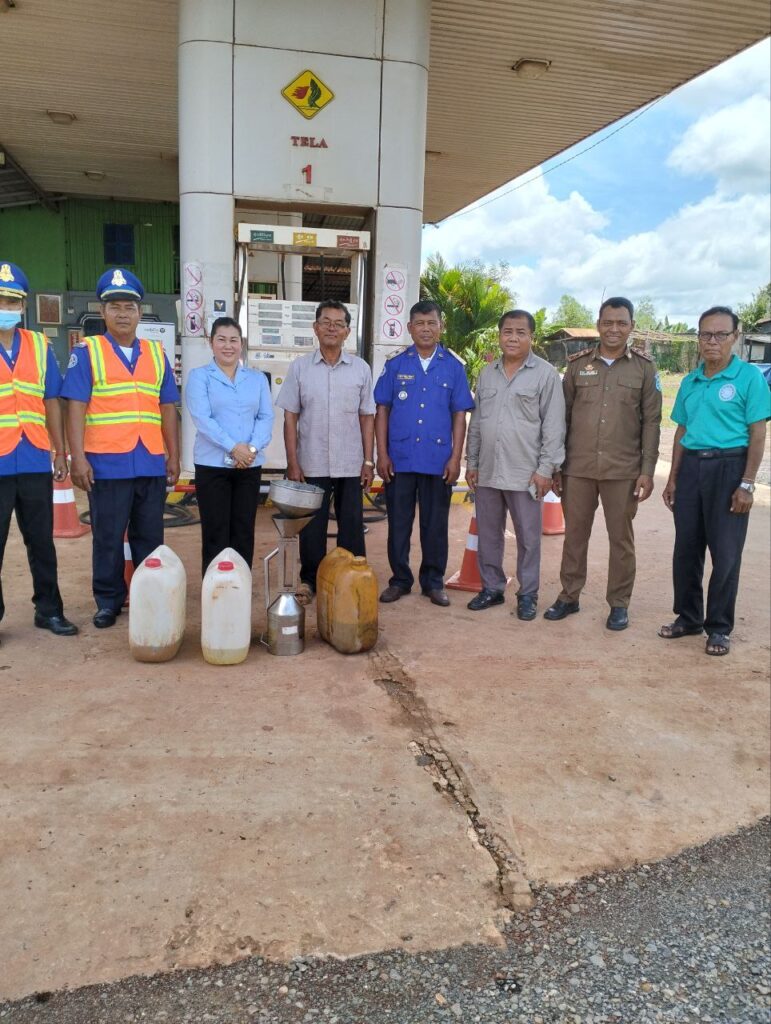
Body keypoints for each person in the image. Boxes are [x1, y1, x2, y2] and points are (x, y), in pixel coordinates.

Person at [62, 269, 180, 628]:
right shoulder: (88, 352)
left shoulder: (156, 354)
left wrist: (173, 455)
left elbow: (167, 407)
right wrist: (77, 458)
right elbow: (75, 406)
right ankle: (108, 601)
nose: (123, 314)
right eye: (115, 307)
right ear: (103, 311)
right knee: (108, 537)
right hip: (106, 463)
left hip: (150, 461)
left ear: (140, 312)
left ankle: (149, 597)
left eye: (129, 307)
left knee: (150, 537)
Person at [544, 296, 661, 631]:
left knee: (620, 540)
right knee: (574, 536)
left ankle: (619, 603)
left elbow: (652, 423)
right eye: (608, 322)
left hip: (622, 471)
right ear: (598, 324)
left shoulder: (644, 369)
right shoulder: (578, 365)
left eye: (621, 323)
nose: (614, 329)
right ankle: (569, 595)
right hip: (577, 468)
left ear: (631, 326)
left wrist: (647, 471)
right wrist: (557, 466)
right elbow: (561, 419)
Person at [659, 306, 769, 656]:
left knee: (726, 553)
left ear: (735, 337)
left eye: (721, 334)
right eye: (706, 334)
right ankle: (689, 617)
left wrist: (747, 484)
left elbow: (758, 433)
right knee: (686, 549)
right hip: (692, 469)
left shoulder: (749, 378)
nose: (712, 341)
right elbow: (682, 430)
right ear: (698, 338)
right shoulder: (690, 381)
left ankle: (719, 627)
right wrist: (673, 478)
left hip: (729, 468)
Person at [465, 309, 565, 620]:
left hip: (526, 474)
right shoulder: (487, 374)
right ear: (499, 335)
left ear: (531, 337)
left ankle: (527, 594)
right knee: (489, 534)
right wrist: (472, 462)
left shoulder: (546, 375)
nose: (513, 337)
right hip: (489, 470)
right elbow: (477, 423)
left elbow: (554, 427)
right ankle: (492, 588)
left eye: (521, 332)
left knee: (529, 538)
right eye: (507, 331)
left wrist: (545, 470)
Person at [374, 300, 475, 607]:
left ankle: (433, 582)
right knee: (399, 525)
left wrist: (456, 458)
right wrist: (382, 454)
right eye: (420, 323)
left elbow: (460, 414)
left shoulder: (454, 367)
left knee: (435, 526)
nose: (426, 329)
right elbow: (382, 410)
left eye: (432, 323)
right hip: (400, 458)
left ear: (441, 326)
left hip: (437, 460)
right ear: (410, 328)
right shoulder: (396, 364)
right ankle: (400, 580)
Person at [275, 299, 375, 601]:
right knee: (312, 527)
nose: (332, 328)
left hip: (350, 462)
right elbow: (290, 417)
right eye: (326, 322)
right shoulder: (300, 368)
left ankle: (350, 580)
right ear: (315, 328)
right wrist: (293, 462)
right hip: (312, 461)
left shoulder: (361, 369)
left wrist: (368, 461)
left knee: (352, 525)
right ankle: (310, 580)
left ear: (347, 332)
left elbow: (366, 416)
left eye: (339, 324)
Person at [0, 261, 78, 639]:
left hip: (33, 456)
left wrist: (60, 451)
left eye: (12, 302)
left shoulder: (38, 344)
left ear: (23, 306)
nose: (6, 308)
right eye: (0, 301)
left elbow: (51, 401)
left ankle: (49, 610)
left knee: (41, 541)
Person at [185, 317, 274, 574]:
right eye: (221, 339)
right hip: (212, 466)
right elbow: (203, 419)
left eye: (233, 340)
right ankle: (215, 587)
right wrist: (235, 448)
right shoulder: (200, 377)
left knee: (243, 529)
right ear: (210, 342)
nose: (228, 346)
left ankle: (240, 584)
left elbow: (266, 417)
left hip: (249, 466)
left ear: (241, 344)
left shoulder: (257, 379)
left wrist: (252, 450)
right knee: (216, 530)